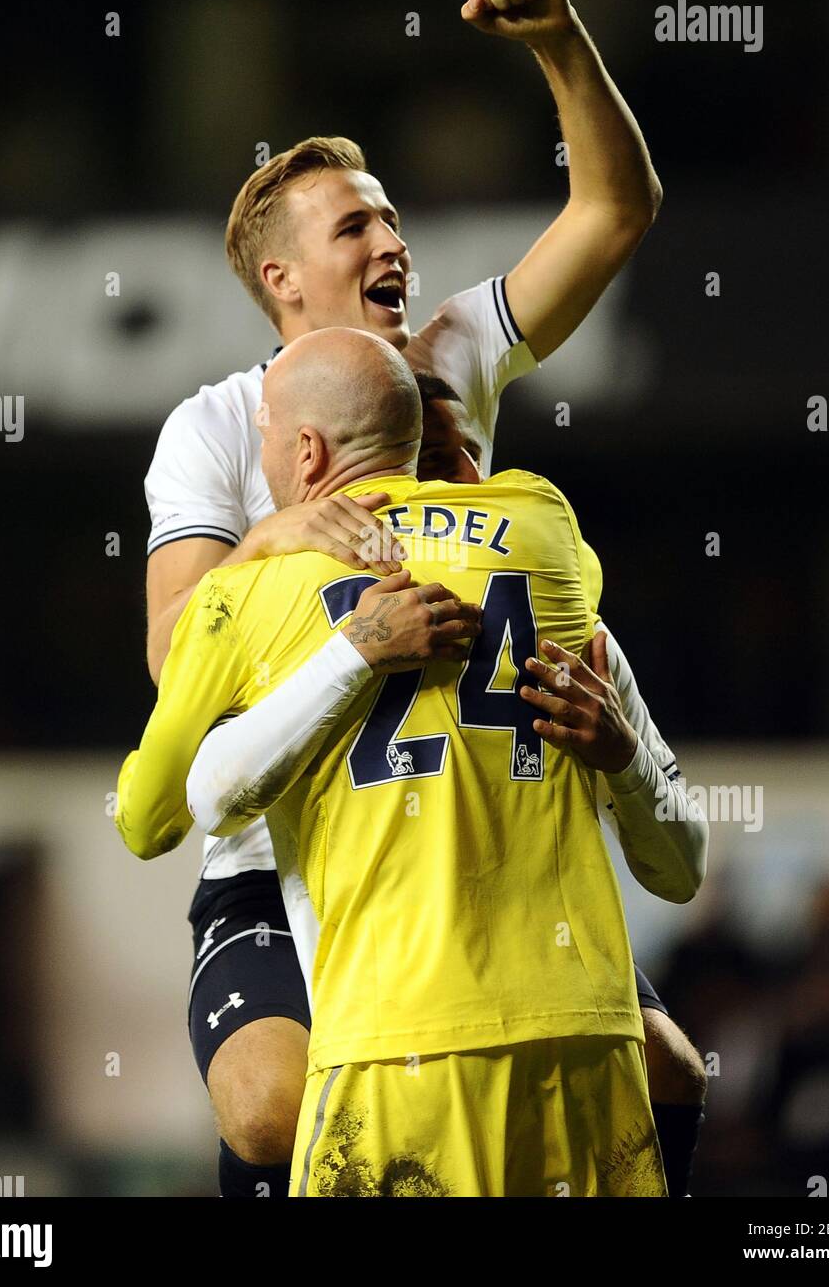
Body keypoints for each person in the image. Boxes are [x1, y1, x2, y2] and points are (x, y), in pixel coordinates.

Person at [142, 0, 666, 1198]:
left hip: (477, 835)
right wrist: (283, 533)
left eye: (389, 215)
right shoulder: (219, 428)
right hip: (299, 845)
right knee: (273, 1111)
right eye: (356, 225)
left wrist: (558, 44)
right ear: (283, 282)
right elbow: (175, 656)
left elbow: (617, 208)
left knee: (675, 1073)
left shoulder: (451, 358)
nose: (394, 239)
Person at [117, 329, 708, 1195]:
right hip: (580, 1037)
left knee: (268, 1111)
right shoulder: (549, 542)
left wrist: (294, 600)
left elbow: (159, 811)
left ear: (306, 453)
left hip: (393, 1050)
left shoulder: (248, 599)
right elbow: (682, 867)